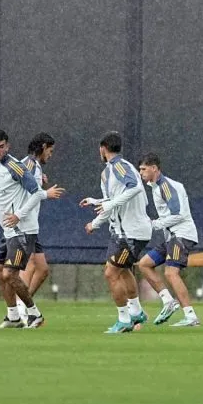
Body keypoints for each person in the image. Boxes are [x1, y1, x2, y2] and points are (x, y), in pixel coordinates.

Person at [0, 129, 63, 329]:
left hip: (22, 229)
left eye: (1, 146)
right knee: (0, 271)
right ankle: (13, 316)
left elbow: (36, 193)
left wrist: (19, 215)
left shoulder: (16, 166)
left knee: (11, 273)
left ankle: (33, 314)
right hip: (9, 229)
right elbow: (6, 195)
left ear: (7, 146)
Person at [81, 132, 153, 333]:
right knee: (123, 270)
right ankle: (136, 312)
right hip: (121, 232)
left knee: (111, 273)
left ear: (103, 148)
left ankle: (124, 320)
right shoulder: (107, 173)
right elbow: (112, 203)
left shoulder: (120, 166)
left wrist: (109, 204)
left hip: (131, 233)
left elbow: (135, 188)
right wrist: (95, 220)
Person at [136, 153, 201, 327]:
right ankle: (168, 301)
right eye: (140, 169)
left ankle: (190, 316)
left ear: (154, 168)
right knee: (144, 264)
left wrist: (155, 224)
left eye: (143, 169)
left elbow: (178, 214)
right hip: (171, 236)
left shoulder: (165, 186)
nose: (141, 173)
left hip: (181, 235)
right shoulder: (156, 186)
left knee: (171, 273)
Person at [15, 133, 56, 319]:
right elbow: (16, 190)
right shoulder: (29, 164)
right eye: (50, 151)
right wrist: (46, 192)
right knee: (30, 264)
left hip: (31, 223)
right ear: (43, 147)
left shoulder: (35, 166)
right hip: (23, 222)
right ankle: (21, 310)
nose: (50, 155)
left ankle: (25, 305)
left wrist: (40, 182)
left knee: (42, 269)